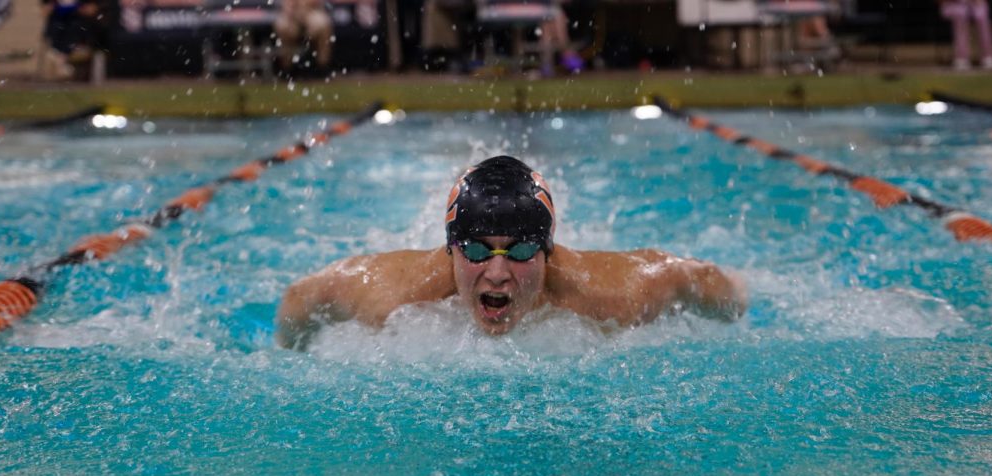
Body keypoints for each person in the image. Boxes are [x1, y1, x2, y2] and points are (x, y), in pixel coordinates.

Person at [276, 156, 746, 348]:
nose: (497, 274)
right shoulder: (392, 297)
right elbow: (300, 298)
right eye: (478, 250)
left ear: (547, 253)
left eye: (520, 249)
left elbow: (701, 279)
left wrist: (743, 307)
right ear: (451, 251)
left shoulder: (613, 297)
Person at [274, 0, 334, 75]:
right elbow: (287, 7)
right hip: (292, 15)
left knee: (324, 24)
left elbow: (317, 4)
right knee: (282, 26)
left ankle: (322, 67)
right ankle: (287, 69)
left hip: (311, 12)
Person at [939, 0, 992, 70]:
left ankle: (988, 56)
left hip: (974, 4)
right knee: (960, 16)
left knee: (981, 15)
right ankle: (961, 57)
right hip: (954, 4)